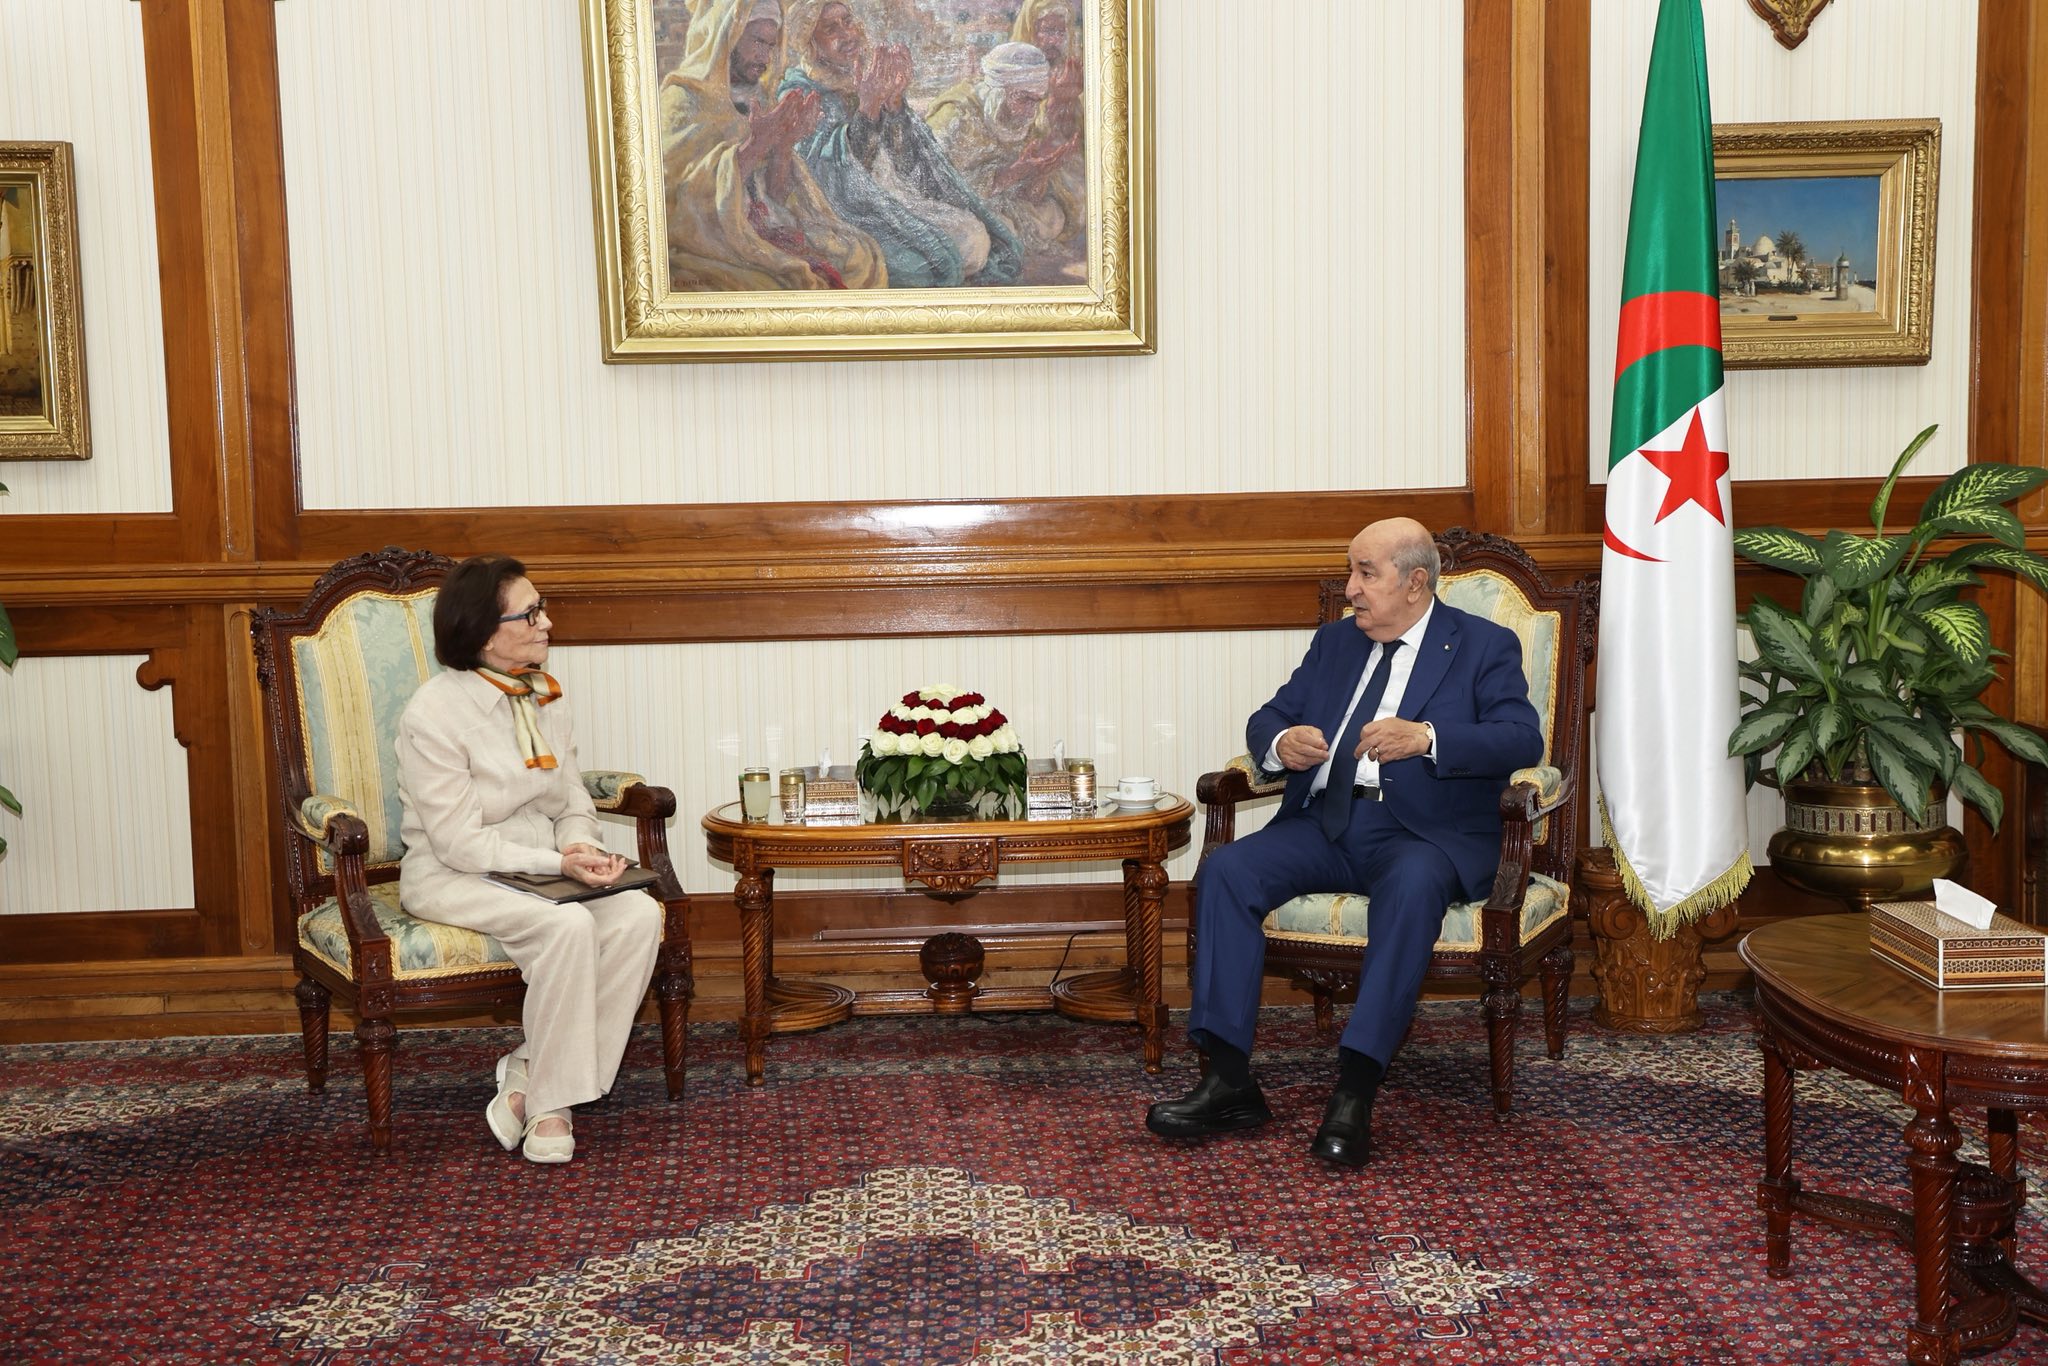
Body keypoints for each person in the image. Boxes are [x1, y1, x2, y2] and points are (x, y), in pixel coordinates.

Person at [1146, 519, 1543, 1167]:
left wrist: (1428, 738)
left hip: (1423, 834)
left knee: (1412, 886)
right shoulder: (1336, 642)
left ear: (1415, 583)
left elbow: (1520, 737)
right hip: (1326, 824)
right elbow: (1269, 716)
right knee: (1226, 872)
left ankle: (1356, 1089)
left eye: (1365, 573)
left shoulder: (1482, 644)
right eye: (1351, 572)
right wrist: (1282, 742)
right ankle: (1228, 1080)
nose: (1350, 588)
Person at [396, 555, 663, 1164]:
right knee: (567, 926)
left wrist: (579, 845)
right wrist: (557, 863)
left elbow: (571, 800)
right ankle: (551, 1104)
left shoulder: (546, 696)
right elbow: (457, 843)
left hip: (540, 867)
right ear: (485, 633)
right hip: (453, 874)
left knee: (638, 916)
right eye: (531, 613)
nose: (547, 623)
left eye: (542, 609)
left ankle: (529, 1073)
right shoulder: (433, 714)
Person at [779, 0, 1021, 288]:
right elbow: (829, 183)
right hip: (850, 215)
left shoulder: (865, 76)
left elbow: (906, 163)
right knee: (950, 252)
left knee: (985, 233)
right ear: (811, 44)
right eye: (831, 29)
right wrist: (868, 108)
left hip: (893, 198)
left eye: (848, 22)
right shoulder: (800, 92)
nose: (847, 34)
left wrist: (894, 103)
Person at [658, 0, 886, 291]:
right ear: (727, 36)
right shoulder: (681, 101)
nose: (764, 57)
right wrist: (756, 146)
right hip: (715, 243)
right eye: (757, 42)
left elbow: (775, 196)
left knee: (860, 257)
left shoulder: (758, 98)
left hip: (761, 230)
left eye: (770, 45)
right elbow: (676, 208)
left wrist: (784, 146)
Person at [927, 43, 1076, 263]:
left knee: (1052, 217)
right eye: (1024, 99)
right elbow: (937, 189)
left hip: (998, 203)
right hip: (950, 207)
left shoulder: (1024, 120)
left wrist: (1040, 174)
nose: (1031, 111)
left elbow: (1025, 195)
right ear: (999, 91)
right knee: (977, 241)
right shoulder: (956, 115)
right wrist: (1010, 174)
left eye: (1037, 101)